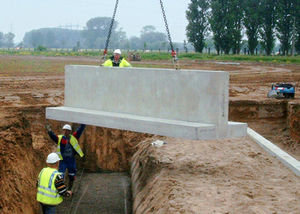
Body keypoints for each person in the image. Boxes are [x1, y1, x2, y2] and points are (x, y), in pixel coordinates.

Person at [46, 124, 86, 190]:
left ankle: (70, 189)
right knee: (60, 176)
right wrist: (49, 131)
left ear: (70, 131)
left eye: (67, 130)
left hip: (71, 160)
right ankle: (61, 190)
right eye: (64, 130)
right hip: (63, 160)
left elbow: (79, 131)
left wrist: (83, 124)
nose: (65, 132)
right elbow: (53, 137)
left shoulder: (73, 137)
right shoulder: (60, 138)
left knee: (72, 176)